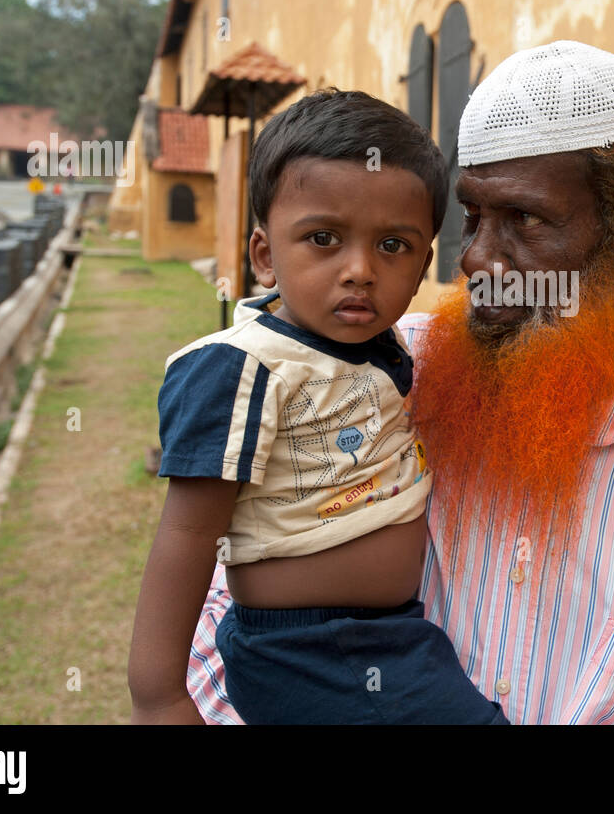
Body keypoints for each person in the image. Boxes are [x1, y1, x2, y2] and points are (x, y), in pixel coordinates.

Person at [188, 40, 614, 724]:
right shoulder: (362, 377)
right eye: (472, 216)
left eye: (524, 220)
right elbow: (219, 637)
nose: (477, 261)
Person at [127, 88, 510, 724]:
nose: (360, 269)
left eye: (393, 246)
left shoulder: (386, 350)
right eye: (324, 238)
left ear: (423, 265)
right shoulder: (242, 367)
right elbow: (187, 534)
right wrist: (159, 695)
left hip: (393, 636)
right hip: (306, 650)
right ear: (264, 256)